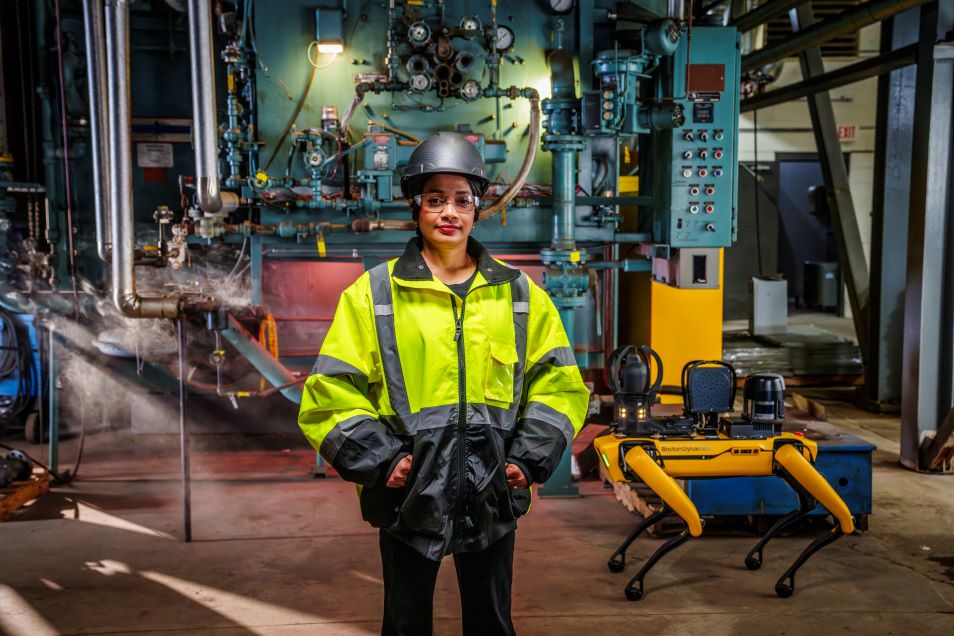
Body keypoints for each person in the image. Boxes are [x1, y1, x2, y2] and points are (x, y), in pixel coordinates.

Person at [298, 131, 589, 635]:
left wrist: (528, 458)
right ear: (416, 207)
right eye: (435, 200)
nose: (449, 212)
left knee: (492, 624)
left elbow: (558, 385)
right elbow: (329, 394)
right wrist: (381, 459)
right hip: (408, 496)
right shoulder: (374, 294)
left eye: (462, 199)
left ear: (477, 208)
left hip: (493, 491)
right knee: (405, 624)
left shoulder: (519, 294)